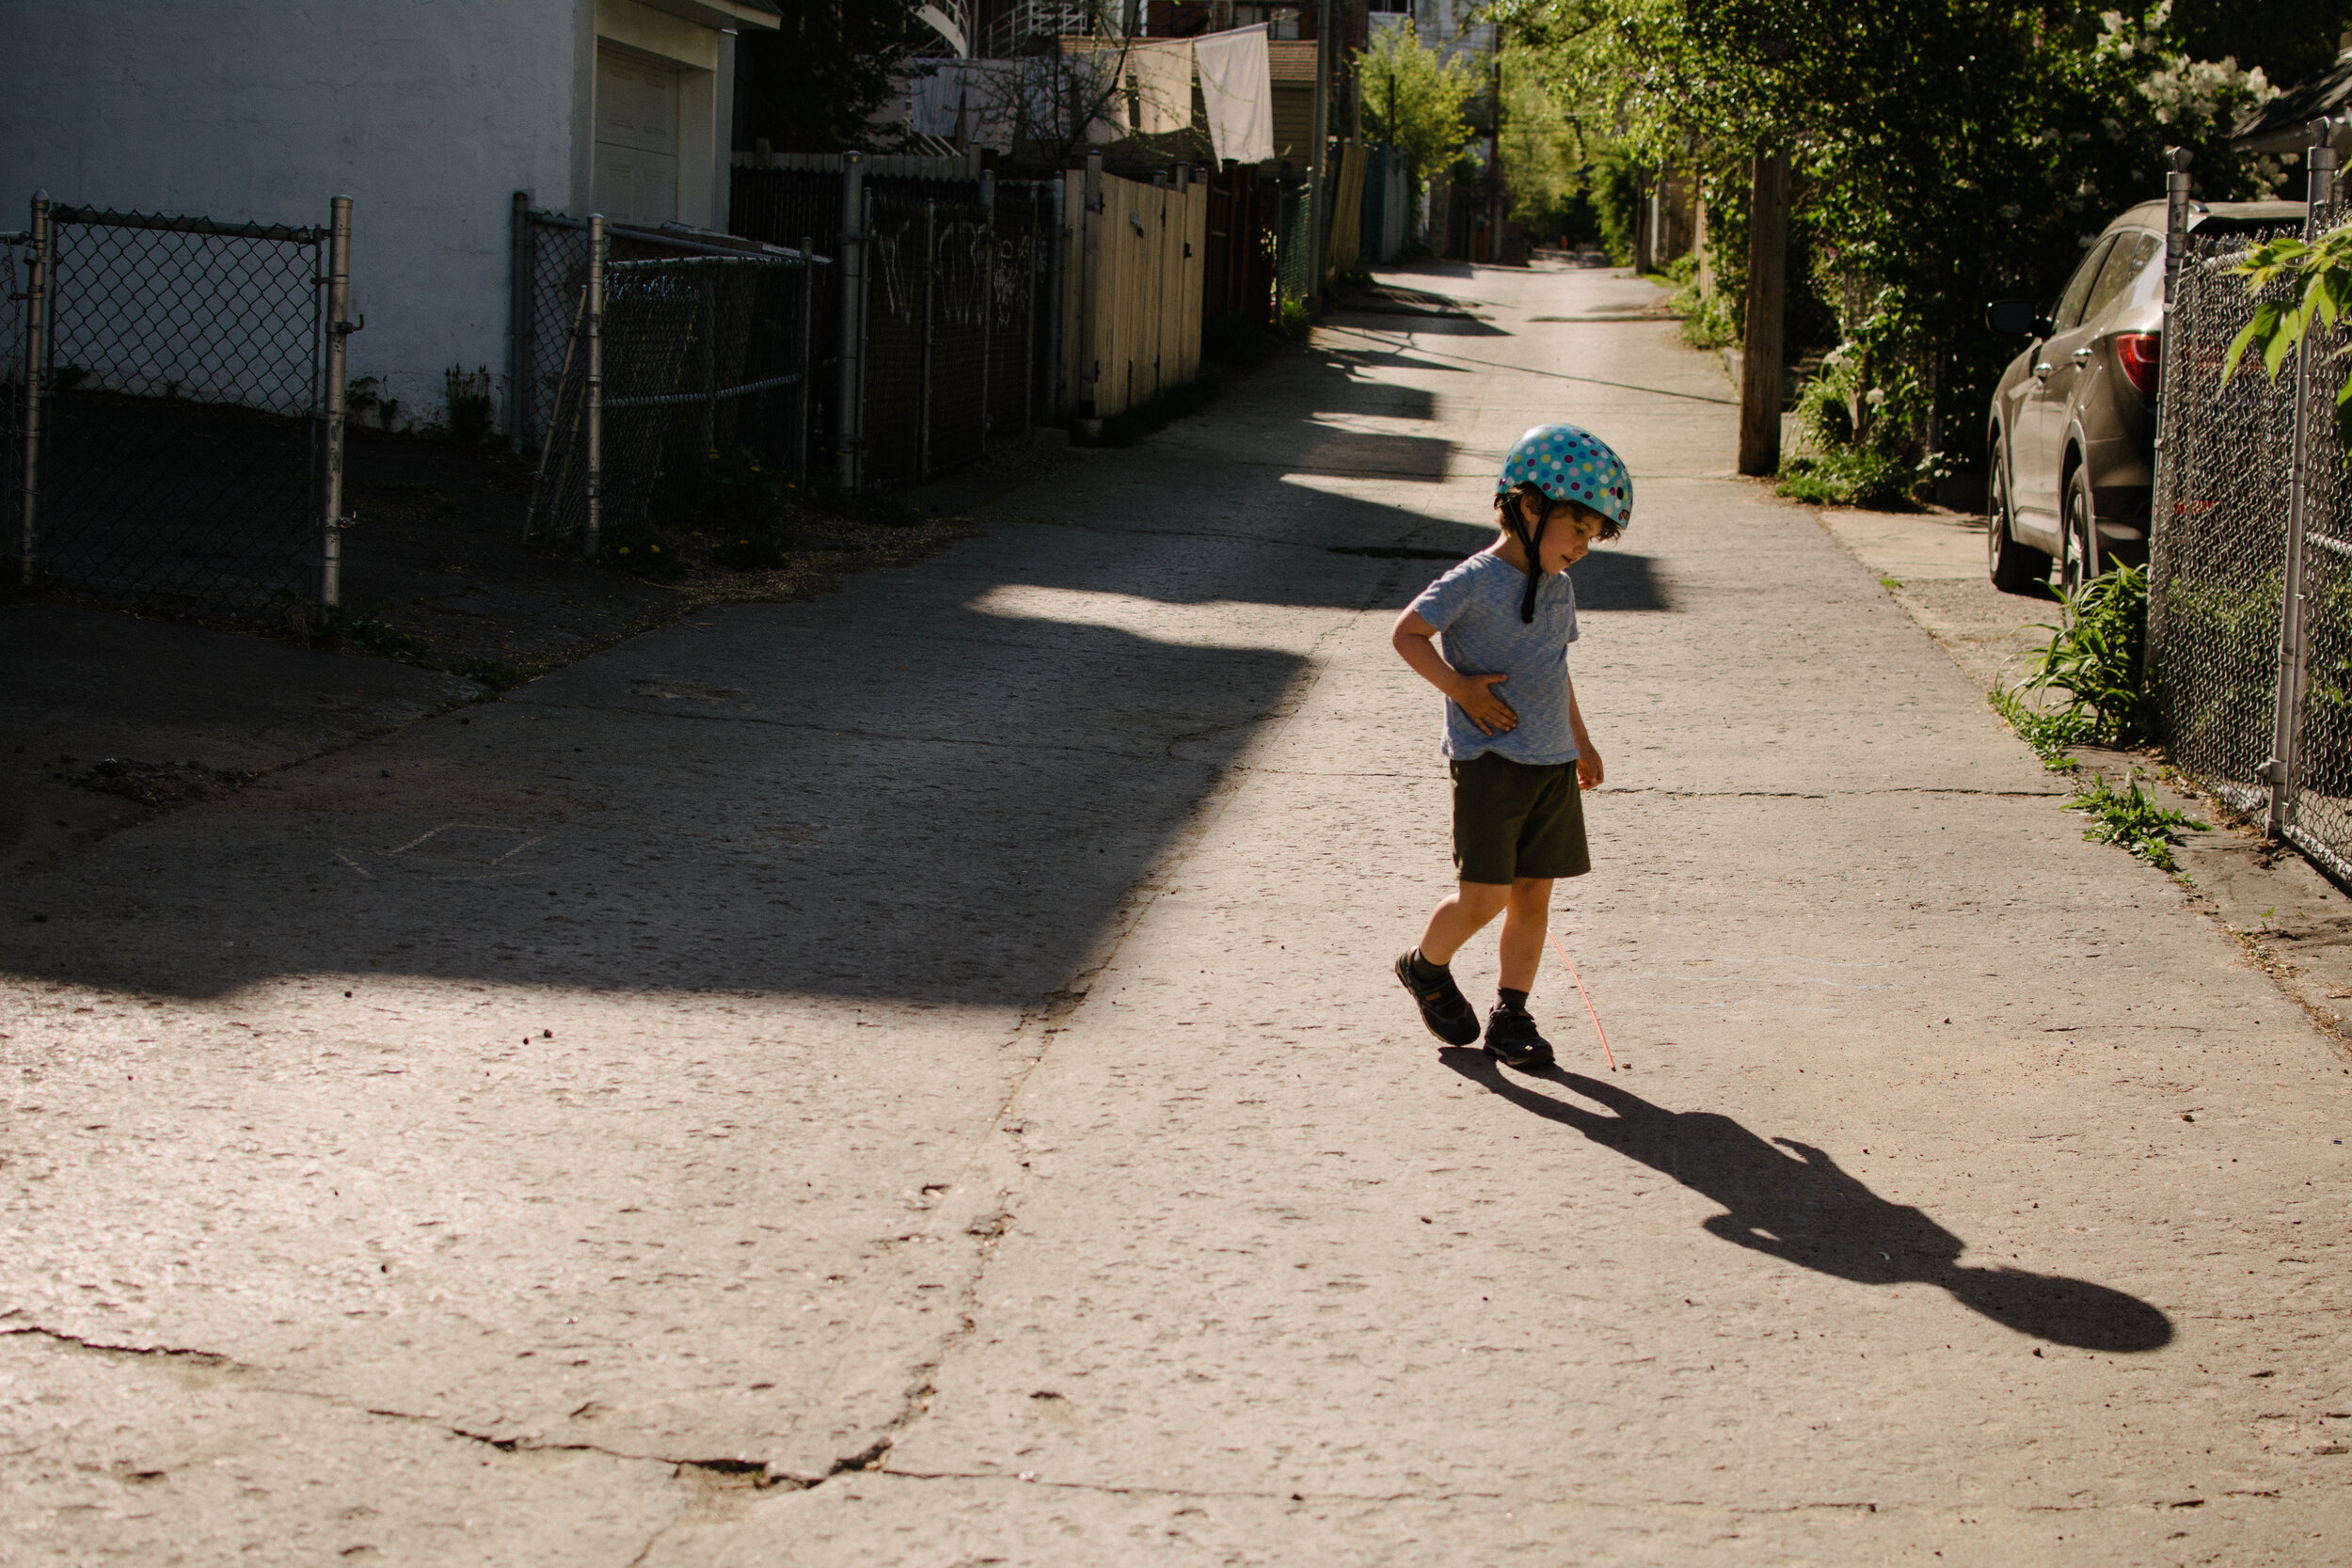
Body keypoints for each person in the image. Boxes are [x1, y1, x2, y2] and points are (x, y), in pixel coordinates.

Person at [1391, 423, 1629, 1069]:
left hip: (1551, 763)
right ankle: (1425, 965)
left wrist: (1581, 741)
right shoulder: (1473, 580)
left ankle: (1512, 1011)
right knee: (1485, 895)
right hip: (1490, 762)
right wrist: (1460, 690)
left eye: (1590, 537)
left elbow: (1556, 668)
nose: (1581, 547)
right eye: (1576, 529)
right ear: (1529, 507)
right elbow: (1408, 634)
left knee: (1533, 896)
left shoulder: (1558, 586)